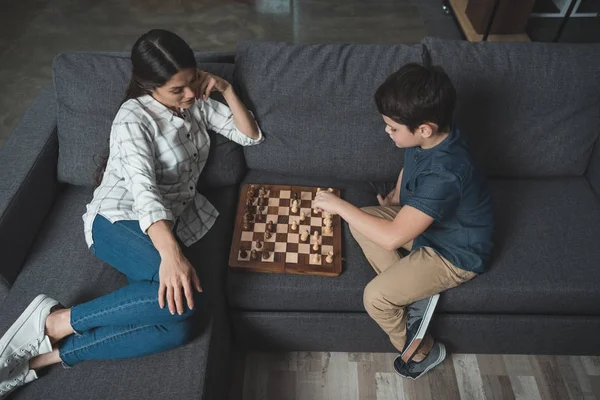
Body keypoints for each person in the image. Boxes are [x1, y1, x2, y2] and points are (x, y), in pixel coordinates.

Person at [0, 29, 263, 397]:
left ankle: (45, 358)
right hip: (118, 218)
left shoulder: (195, 101)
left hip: (164, 223)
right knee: (189, 299)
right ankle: (57, 321)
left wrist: (225, 89)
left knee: (180, 326)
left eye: (192, 81)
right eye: (177, 89)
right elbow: (145, 192)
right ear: (149, 85)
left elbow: (250, 136)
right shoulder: (133, 117)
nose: (188, 94)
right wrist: (172, 256)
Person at [313, 63, 494, 380]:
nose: (387, 131)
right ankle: (414, 289)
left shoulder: (445, 172)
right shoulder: (433, 137)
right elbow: (410, 164)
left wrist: (339, 205)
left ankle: (424, 352)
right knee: (366, 218)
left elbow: (392, 239)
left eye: (393, 128)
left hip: (455, 253)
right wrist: (396, 198)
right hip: (432, 229)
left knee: (376, 298)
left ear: (424, 128)